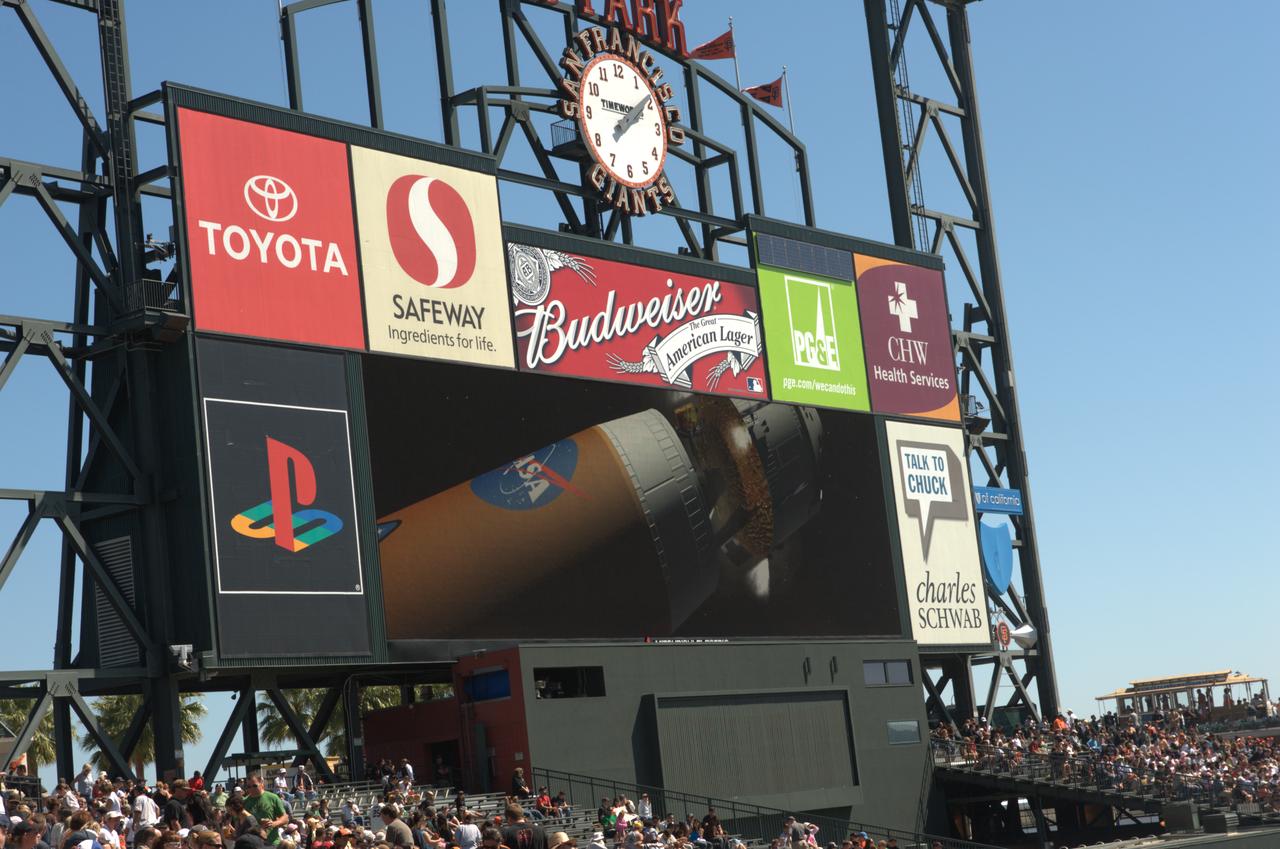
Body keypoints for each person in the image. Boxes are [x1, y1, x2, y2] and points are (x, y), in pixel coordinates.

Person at [242, 775, 288, 846]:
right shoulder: (244, 802)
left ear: (261, 784)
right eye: (248, 786)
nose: (251, 789)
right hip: (253, 844)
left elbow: (285, 818)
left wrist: (273, 823)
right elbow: (240, 822)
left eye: (254, 786)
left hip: (272, 842)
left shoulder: (272, 797)